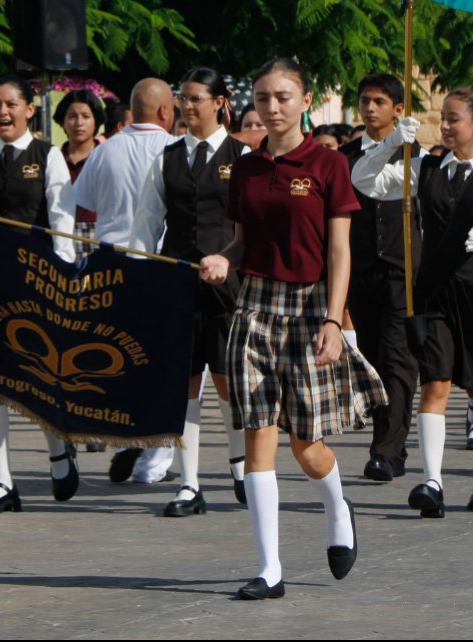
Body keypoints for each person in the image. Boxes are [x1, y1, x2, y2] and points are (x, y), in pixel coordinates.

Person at [200, 57, 385, 600]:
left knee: (306, 447)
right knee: (256, 435)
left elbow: (339, 250)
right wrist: (224, 259)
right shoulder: (247, 168)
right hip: (253, 307)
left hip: (310, 309)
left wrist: (333, 318)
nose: (272, 107)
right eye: (262, 98)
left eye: (282, 97)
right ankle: (269, 569)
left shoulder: (328, 165)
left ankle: (336, 508)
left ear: (306, 101)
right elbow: (241, 240)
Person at [354, 84, 473, 516]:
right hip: (434, 291)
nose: (446, 126)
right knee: (434, 382)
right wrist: (393, 144)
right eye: (444, 118)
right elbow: (365, 181)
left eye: (454, 119)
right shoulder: (428, 167)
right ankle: (431, 481)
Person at [0, 75, 79, 513]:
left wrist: (61, 276)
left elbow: (63, 221)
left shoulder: (49, 157)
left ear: (30, 109)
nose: (2, 113)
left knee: (39, 372)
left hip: (38, 279)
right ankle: (3, 481)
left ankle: (57, 449)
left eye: (11, 104)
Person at [130, 68, 251, 515]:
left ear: (219, 102)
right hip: (178, 281)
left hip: (229, 285)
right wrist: (143, 277)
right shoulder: (166, 157)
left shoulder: (243, 156)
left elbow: (251, 227)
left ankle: (239, 465)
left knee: (226, 380)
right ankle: (189, 482)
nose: (187, 106)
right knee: (185, 384)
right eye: (183, 98)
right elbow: (146, 223)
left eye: (196, 98)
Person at [72, 79, 177, 484]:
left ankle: (124, 439)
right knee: (165, 364)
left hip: (109, 265)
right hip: (158, 262)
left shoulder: (105, 151)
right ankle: (153, 463)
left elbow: (83, 205)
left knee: (121, 360)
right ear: (166, 111)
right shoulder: (173, 150)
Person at [338, 74, 419, 483]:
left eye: (380, 102)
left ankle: (384, 452)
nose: (371, 109)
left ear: (398, 109)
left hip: (402, 271)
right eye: (365, 100)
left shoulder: (416, 154)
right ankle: (393, 443)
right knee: (371, 359)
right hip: (360, 270)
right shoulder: (347, 155)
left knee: (396, 358)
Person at [54, 89, 105, 259]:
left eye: (86, 116)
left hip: (99, 232)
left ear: (96, 120)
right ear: (63, 121)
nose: (79, 123)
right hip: (60, 233)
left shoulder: (106, 156)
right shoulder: (53, 158)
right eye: (72, 116)